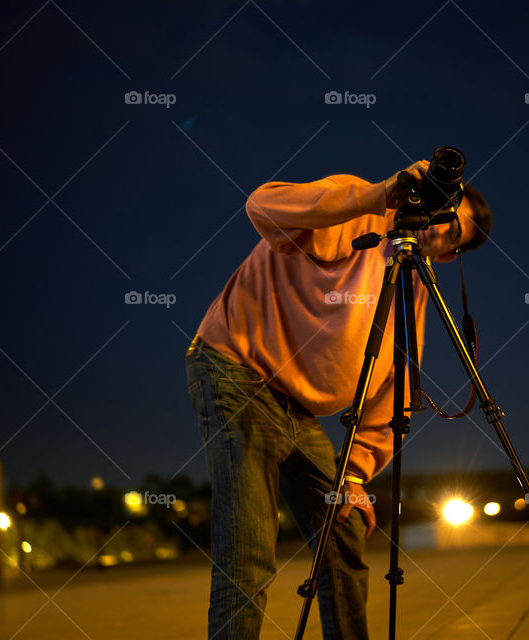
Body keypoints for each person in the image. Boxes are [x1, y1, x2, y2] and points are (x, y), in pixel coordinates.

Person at [185, 158, 492, 639]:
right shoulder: (354, 203)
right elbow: (262, 205)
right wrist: (378, 194)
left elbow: (396, 388)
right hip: (235, 373)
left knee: (343, 526)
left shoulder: (410, 285)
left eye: (452, 233)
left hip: (297, 411)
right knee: (248, 549)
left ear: (451, 255)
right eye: (444, 208)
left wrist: (355, 471)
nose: (438, 226)